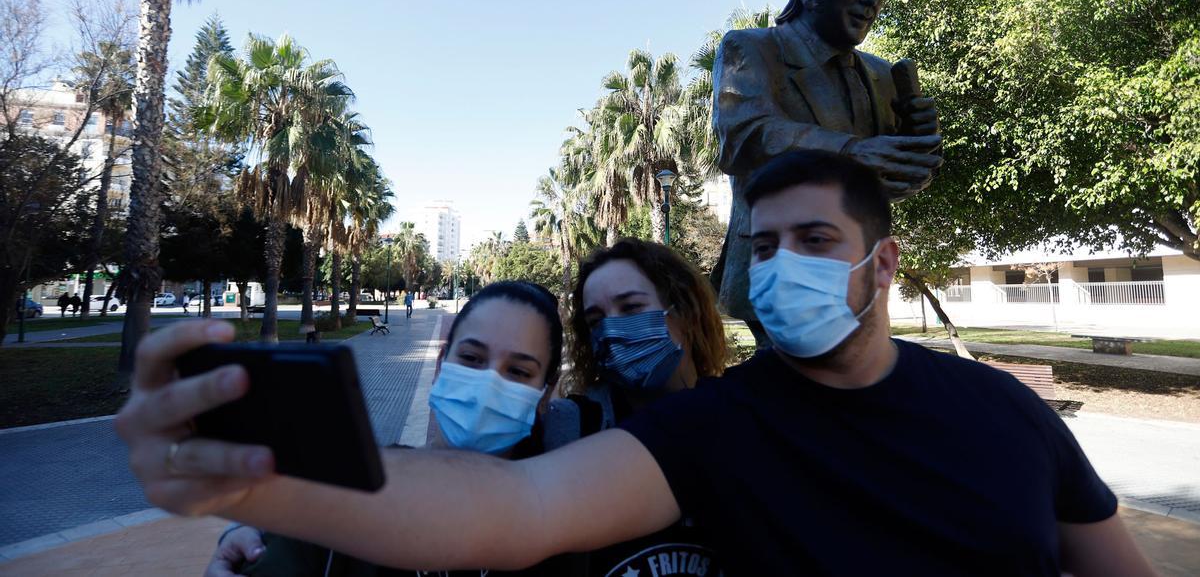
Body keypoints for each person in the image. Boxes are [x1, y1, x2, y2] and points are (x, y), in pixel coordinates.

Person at [115, 151, 1154, 576]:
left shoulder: (1007, 413)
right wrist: (267, 480)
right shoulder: (714, 428)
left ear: (884, 264)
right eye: (762, 247)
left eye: (816, 242)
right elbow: (512, 511)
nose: (782, 267)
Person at [203, 280, 565, 577]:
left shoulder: (566, 524)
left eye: (518, 372)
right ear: (441, 364)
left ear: (545, 393)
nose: (487, 385)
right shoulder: (348, 491)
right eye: (471, 358)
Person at [711, 0, 942, 346]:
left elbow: (890, 176)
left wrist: (918, 147)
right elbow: (743, 136)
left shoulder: (882, 74)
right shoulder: (753, 49)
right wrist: (852, 152)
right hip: (776, 262)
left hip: (858, 268)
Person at [540, 238, 728, 575]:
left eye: (630, 308)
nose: (611, 330)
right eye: (596, 319)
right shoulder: (573, 428)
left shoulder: (737, 416)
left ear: (683, 311)